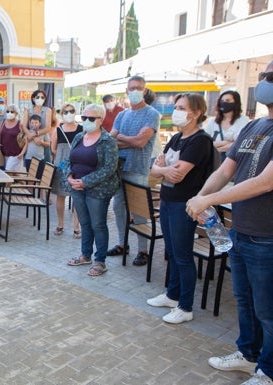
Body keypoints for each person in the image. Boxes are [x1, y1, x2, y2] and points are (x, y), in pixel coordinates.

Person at [186, 62, 273, 385]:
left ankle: (268, 369)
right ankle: (249, 355)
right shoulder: (255, 127)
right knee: (245, 300)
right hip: (242, 231)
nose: (264, 83)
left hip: (268, 236)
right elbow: (225, 171)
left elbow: (265, 182)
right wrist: (199, 196)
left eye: (271, 78)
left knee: (268, 309)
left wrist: (207, 201)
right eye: (263, 76)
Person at [146, 93, 212, 324]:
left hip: (184, 204)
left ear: (195, 113)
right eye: (176, 106)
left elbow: (177, 173)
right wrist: (163, 170)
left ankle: (185, 306)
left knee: (183, 255)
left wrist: (163, 169)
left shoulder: (200, 141)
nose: (176, 111)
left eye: (181, 107)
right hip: (167, 199)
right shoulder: (176, 138)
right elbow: (155, 170)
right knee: (172, 252)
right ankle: (172, 295)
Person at [109, 75, 161, 266]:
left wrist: (122, 139)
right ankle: (123, 244)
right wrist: (127, 140)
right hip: (119, 168)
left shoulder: (151, 114)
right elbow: (110, 141)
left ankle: (143, 250)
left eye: (139, 88)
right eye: (132, 88)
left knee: (139, 210)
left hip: (138, 168)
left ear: (145, 90)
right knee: (118, 206)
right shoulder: (122, 115)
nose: (135, 91)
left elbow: (141, 142)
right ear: (126, 91)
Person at [63, 104, 119, 277]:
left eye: (91, 118)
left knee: (98, 225)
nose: (86, 121)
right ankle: (85, 255)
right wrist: (69, 176)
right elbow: (68, 159)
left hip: (98, 190)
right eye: (84, 118)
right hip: (77, 187)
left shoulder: (107, 141)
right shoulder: (79, 136)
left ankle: (100, 261)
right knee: (85, 223)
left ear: (101, 120)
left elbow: (110, 168)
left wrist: (85, 182)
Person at [51, 103, 82, 238]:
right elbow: (53, 149)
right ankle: (60, 224)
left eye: (71, 111)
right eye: (66, 111)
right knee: (60, 195)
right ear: (62, 114)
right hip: (61, 167)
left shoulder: (81, 129)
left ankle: (76, 226)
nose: (69, 114)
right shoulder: (57, 130)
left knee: (78, 197)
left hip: (78, 166)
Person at [203, 90, 249, 161]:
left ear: (235, 103)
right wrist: (228, 143)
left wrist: (218, 149)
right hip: (213, 163)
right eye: (222, 100)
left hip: (234, 162)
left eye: (227, 100)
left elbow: (241, 144)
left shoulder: (243, 120)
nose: (224, 103)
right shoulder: (212, 121)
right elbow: (205, 143)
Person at [0, 104, 26, 172]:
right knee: (13, 175)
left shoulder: (20, 124)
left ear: (16, 113)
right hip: (4, 153)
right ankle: (23, 182)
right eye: (7, 111)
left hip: (16, 154)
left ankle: (23, 181)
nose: (9, 113)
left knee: (8, 172)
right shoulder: (3, 122)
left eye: (12, 112)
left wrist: (22, 153)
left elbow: (26, 140)